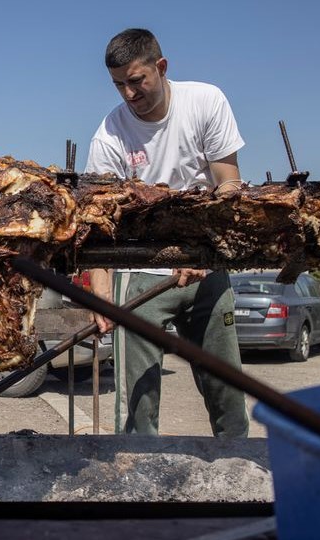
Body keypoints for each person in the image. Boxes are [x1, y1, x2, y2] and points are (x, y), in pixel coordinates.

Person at [84, 28, 249, 438]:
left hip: (206, 272)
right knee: (137, 407)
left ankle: (240, 483)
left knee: (227, 394)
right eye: (118, 84)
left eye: (136, 80)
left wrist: (202, 254)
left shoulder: (206, 101)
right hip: (139, 278)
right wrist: (102, 298)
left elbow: (228, 184)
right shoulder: (109, 135)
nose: (128, 93)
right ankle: (141, 484)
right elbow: (101, 225)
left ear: (161, 67)